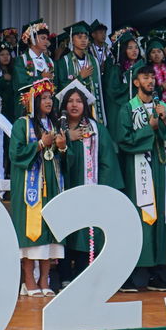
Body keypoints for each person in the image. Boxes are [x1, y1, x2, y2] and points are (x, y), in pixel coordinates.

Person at [115, 63, 166, 292]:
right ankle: (134, 273)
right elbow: (123, 140)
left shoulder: (164, 107)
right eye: (145, 77)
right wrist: (148, 128)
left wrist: (163, 121)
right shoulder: (127, 109)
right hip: (139, 170)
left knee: (162, 215)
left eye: (152, 77)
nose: (150, 81)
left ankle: (158, 273)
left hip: (162, 169)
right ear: (136, 82)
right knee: (141, 217)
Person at [55, 81, 123, 278]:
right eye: (70, 101)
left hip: (89, 188)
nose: (74, 105)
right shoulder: (56, 129)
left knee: (86, 231)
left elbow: (107, 161)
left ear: (85, 105)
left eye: (79, 101)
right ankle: (64, 274)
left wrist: (103, 190)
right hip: (63, 188)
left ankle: (84, 273)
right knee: (64, 230)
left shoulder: (96, 130)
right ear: (64, 105)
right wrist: (68, 138)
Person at [10, 80, 64, 296]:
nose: (49, 102)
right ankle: (28, 280)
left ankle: (44, 279)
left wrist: (62, 147)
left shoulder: (55, 125)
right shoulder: (21, 125)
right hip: (29, 185)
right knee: (31, 232)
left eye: (50, 98)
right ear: (32, 101)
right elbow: (15, 154)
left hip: (52, 184)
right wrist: (40, 144)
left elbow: (63, 158)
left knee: (49, 231)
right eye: (44, 98)